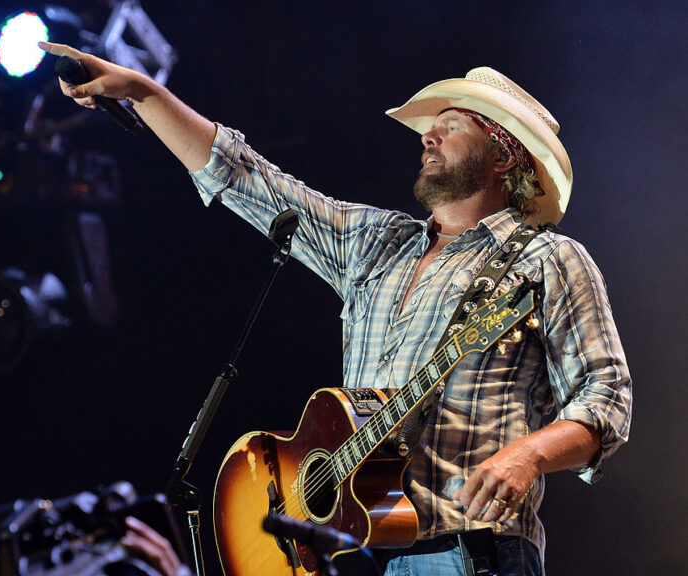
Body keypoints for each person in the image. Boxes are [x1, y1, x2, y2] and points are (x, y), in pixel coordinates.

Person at [40, 41, 632, 576]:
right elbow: (250, 180)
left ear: (504, 156)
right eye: (431, 127)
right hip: (356, 555)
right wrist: (143, 92)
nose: (428, 136)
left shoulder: (549, 258)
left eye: (450, 127)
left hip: (468, 552)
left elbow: (607, 395)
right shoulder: (379, 242)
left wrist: (528, 455)